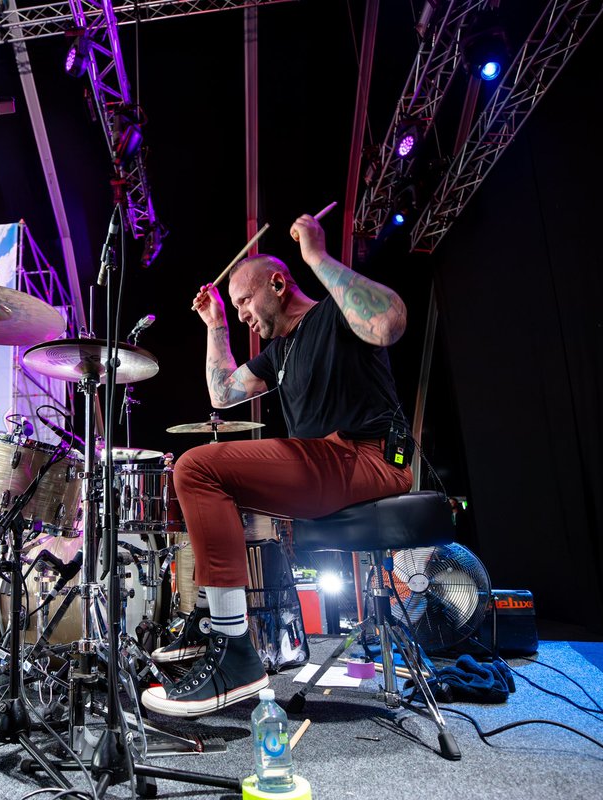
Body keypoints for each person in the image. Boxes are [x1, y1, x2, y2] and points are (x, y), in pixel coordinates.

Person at [141, 212, 413, 718]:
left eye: (244, 301)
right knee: (209, 480)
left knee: (198, 468)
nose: (244, 312)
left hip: (370, 457)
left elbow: (389, 321)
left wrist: (318, 256)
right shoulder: (279, 352)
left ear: (279, 283)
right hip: (327, 464)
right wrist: (217, 322)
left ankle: (237, 656)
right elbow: (222, 394)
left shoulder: (333, 316)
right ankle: (213, 622)